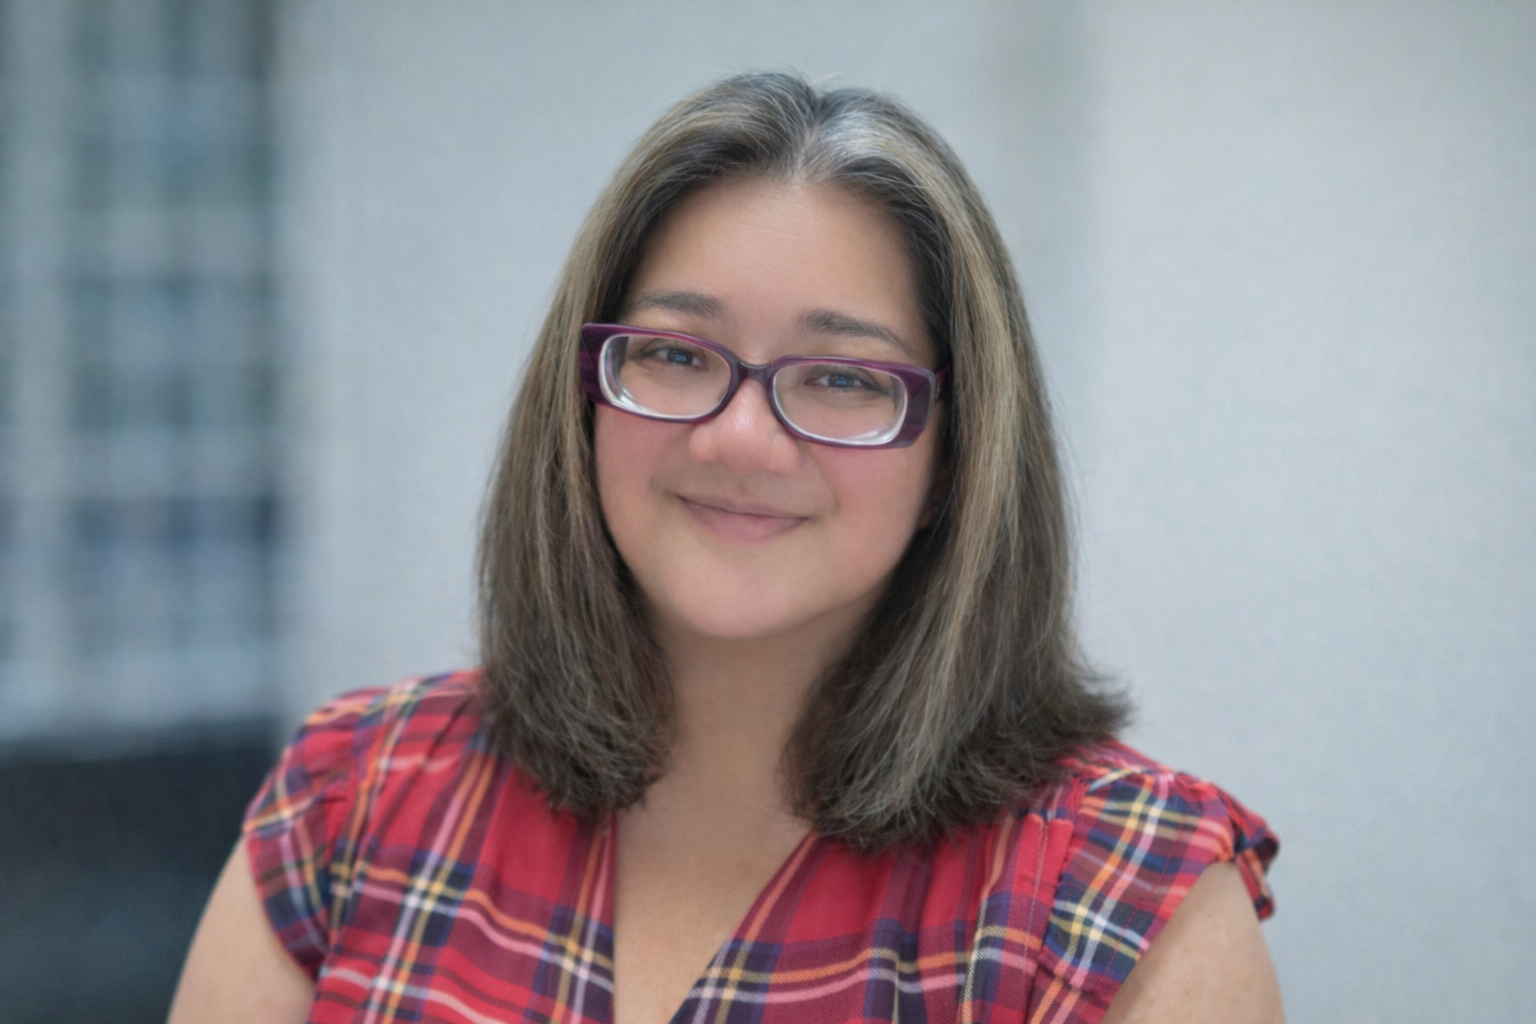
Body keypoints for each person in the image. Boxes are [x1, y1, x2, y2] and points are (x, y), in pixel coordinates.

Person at [169, 72, 1282, 1023]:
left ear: (958, 451)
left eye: (843, 376)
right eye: (675, 355)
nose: (739, 436)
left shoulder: (1117, 892)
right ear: (584, 393)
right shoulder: (353, 796)